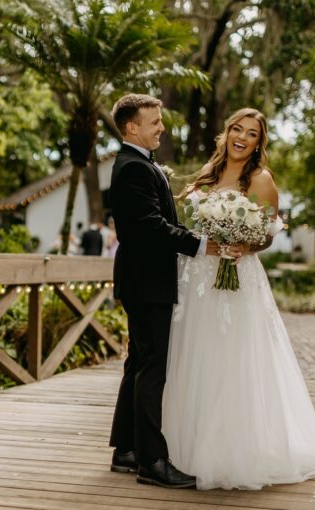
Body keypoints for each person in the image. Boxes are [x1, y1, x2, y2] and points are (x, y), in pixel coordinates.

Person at [162, 107, 315, 490]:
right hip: (201, 278)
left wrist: (244, 244)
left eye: (251, 133)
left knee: (234, 358)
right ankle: (183, 449)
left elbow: (268, 234)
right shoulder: (210, 173)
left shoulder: (261, 179)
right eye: (236, 128)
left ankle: (233, 452)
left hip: (238, 275)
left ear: (258, 142)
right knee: (197, 355)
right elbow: (194, 226)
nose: (241, 137)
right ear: (228, 131)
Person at [107, 93, 233, 489]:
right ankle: (153, 462)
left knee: (138, 364)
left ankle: (126, 449)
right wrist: (200, 244)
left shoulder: (137, 164)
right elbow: (149, 226)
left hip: (143, 281)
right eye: (154, 121)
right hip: (147, 283)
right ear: (132, 127)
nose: (161, 127)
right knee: (152, 370)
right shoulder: (132, 169)